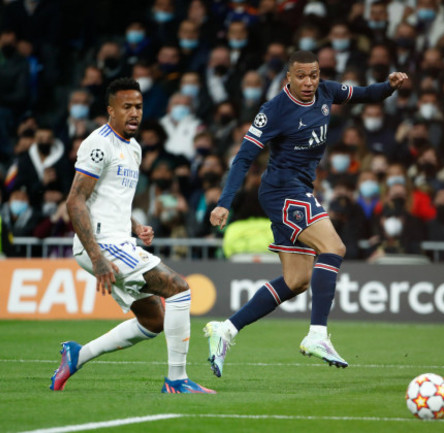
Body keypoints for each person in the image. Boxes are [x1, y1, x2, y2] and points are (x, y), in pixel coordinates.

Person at [204, 50, 407, 377]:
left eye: (314, 75)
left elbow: (365, 94)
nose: (310, 82)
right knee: (335, 247)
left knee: (297, 280)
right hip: (283, 191)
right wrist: (225, 201)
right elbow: (243, 158)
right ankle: (317, 335)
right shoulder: (273, 111)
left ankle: (225, 329)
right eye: (302, 76)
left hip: (298, 189)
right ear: (289, 77)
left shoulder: (327, 91)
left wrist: (389, 86)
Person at [49, 78, 214, 394]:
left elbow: (111, 199)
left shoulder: (134, 148)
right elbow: (75, 200)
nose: (135, 113)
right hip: (102, 244)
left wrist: (135, 225)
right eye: (127, 107)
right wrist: (97, 257)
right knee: (179, 289)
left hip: (120, 240)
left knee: (154, 321)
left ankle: (77, 354)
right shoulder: (98, 145)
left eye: (138, 106)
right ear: (111, 110)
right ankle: (177, 381)